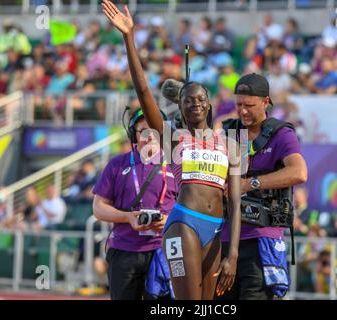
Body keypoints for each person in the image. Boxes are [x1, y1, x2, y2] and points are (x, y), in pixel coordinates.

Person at [101, 0, 242, 300]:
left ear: (209, 103)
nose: (195, 103)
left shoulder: (229, 144)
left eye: (201, 98)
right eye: (188, 100)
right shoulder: (174, 138)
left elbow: (236, 203)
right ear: (179, 107)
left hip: (216, 228)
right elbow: (142, 90)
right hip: (184, 224)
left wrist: (233, 254)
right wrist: (129, 37)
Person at [218, 73, 308, 300]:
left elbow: (299, 172)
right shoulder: (227, 132)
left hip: (261, 240)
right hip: (224, 240)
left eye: (249, 105)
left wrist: (249, 183)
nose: (243, 111)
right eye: (238, 105)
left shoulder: (282, 134)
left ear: (266, 102)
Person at [92, 108, 178, 300]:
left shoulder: (176, 164)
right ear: (134, 135)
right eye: (143, 131)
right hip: (124, 251)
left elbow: (190, 206)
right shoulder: (117, 164)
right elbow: (98, 207)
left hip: (164, 251)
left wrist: (170, 220)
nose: (149, 137)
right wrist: (127, 217)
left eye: (154, 130)